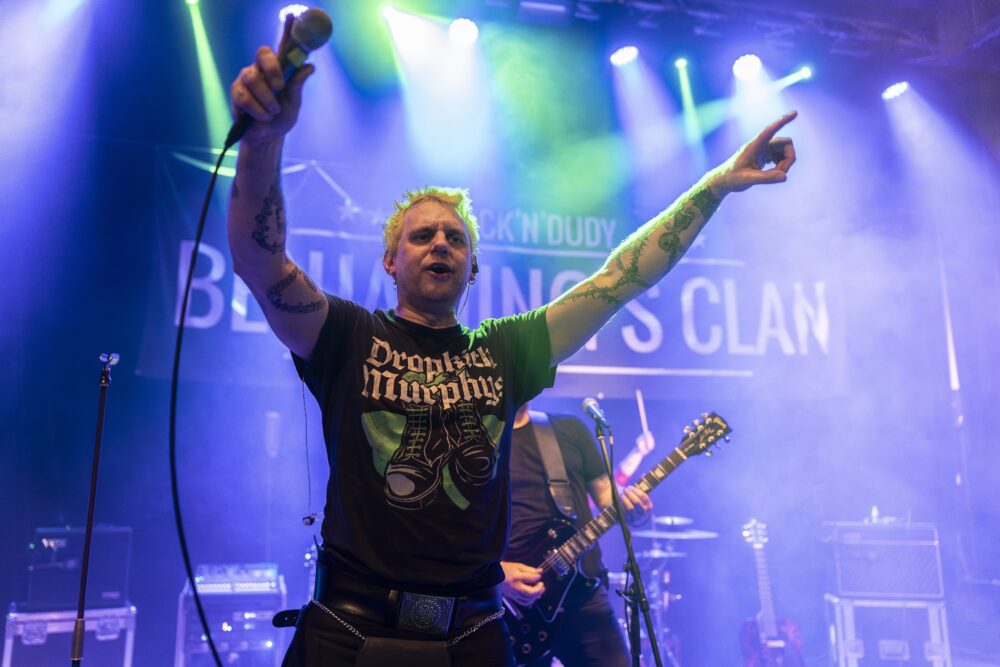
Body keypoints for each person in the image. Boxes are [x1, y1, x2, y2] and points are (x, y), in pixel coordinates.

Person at [227, 15, 796, 667]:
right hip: (350, 626)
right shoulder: (349, 336)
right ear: (390, 260)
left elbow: (618, 279)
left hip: (472, 632)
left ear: (472, 268)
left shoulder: (502, 352)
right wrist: (264, 139)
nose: (441, 243)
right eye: (422, 235)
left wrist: (714, 184)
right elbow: (260, 260)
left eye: (456, 238)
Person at [502, 404, 653, 667]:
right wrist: (495, 575)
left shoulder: (568, 428)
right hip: (511, 602)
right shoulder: (470, 442)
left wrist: (630, 506)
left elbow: (606, 495)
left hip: (581, 594)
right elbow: (451, 528)